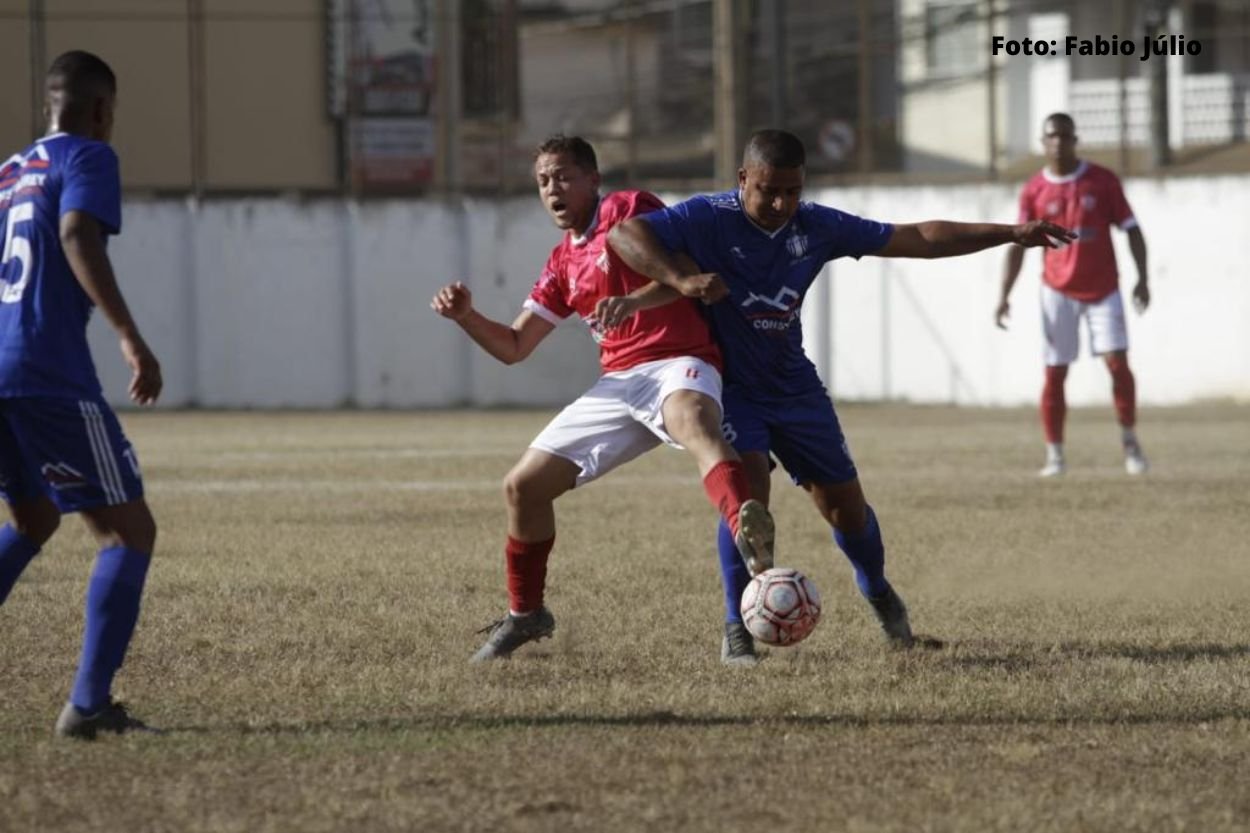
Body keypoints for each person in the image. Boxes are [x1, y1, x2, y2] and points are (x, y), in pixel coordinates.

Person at [604, 129, 1073, 663]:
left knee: (846, 510)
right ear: (742, 181)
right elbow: (624, 234)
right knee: (748, 497)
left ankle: (878, 592)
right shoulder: (707, 216)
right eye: (768, 190)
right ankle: (737, 626)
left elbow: (917, 237)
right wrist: (680, 280)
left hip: (795, 386)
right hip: (730, 386)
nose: (781, 204)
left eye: (793, 191)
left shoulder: (816, 225)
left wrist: (1011, 232)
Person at [430, 134, 775, 664]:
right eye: (544, 181)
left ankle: (747, 530)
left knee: (694, 422)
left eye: (565, 176)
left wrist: (632, 299)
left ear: (593, 180)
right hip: (617, 384)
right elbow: (515, 346)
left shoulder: (627, 208)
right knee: (522, 487)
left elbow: (688, 278)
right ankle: (527, 614)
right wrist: (466, 317)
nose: (553, 189)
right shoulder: (560, 264)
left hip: (676, 360)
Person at [0, 51, 163, 738]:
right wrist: (130, 335)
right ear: (100, 110)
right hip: (47, 373)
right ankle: (88, 704)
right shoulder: (90, 156)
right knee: (129, 531)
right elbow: (75, 233)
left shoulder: (7, 174)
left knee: (35, 518)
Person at [997, 112, 1151, 477]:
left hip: (1103, 289)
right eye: (1052, 136)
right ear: (1043, 142)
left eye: (1065, 136)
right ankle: (1055, 455)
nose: (1059, 143)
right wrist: (1004, 294)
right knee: (1055, 372)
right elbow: (1018, 243)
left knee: (1118, 364)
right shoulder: (1034, 189)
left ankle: (1130, 441)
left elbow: (1132, 229)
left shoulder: (1102, 181)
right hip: (1057, 291)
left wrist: (1143, 278)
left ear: (1074, 140)